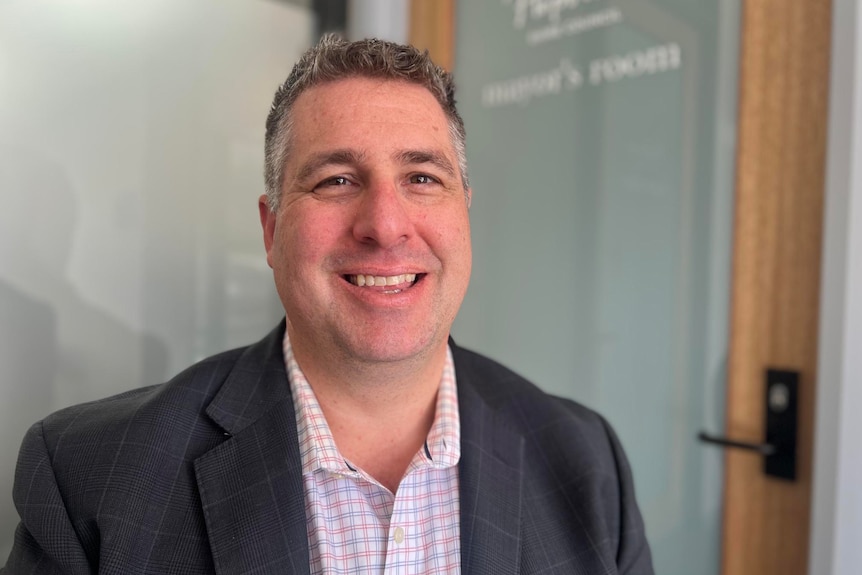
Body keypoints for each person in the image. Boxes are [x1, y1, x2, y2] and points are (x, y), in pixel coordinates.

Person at [1, 36, 653, 574]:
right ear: (270, 229)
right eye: (337, 180)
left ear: (465, 213)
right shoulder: (91, 478)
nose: (386, 224)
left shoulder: (585, 463)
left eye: (422, 178)